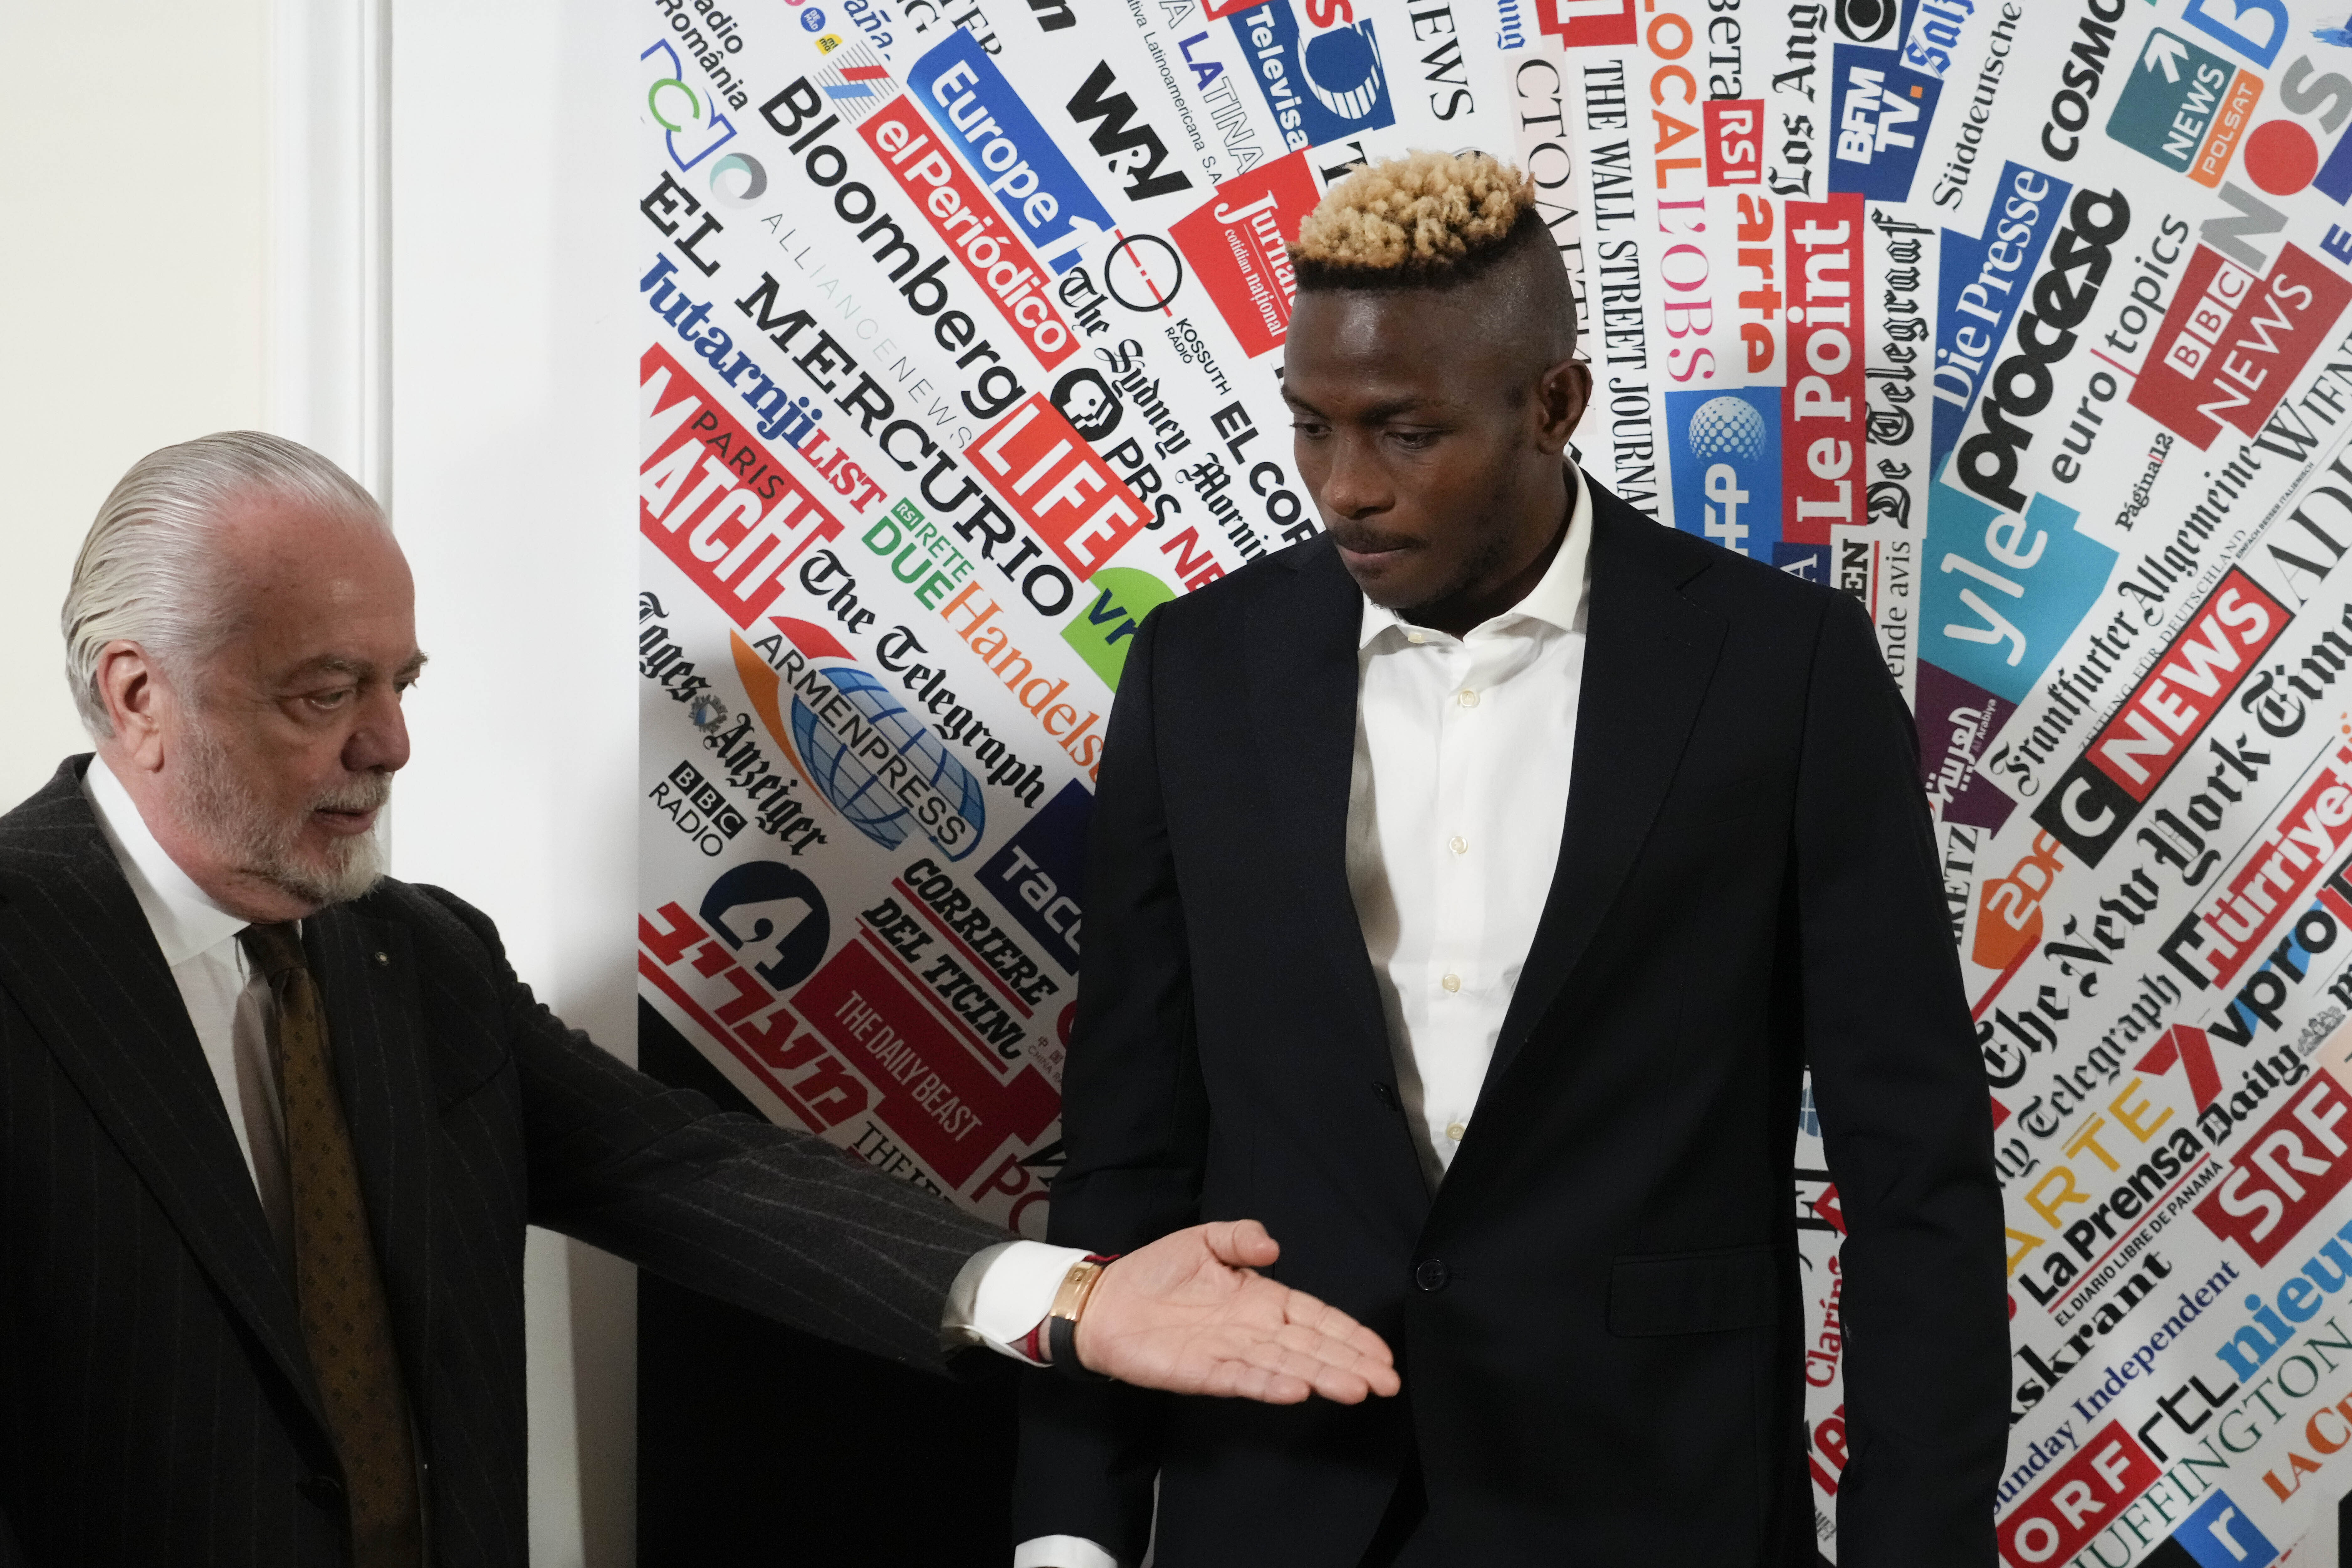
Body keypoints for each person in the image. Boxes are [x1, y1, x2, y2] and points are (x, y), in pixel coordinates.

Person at [0, 432, 1398, 1568]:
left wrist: (1072, 1303)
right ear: (139, 698)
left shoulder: (415, 960)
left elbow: (690, 1172)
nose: (392, 743)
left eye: (401, 683)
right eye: (326, 693)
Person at [1013, 152, 2007, 1567]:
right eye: (1310, 429)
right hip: (1278, 1494)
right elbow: (1123, 1146)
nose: (1342, 488)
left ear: (1552, 405)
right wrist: (1070, 1535)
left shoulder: (1779, 672)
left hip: (1652, 1500)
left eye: (1404, 433)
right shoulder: (1196, 671)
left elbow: (1914, 1176)